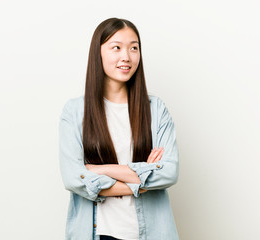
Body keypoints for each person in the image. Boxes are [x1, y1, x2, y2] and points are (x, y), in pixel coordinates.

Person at [59, 17, 179, 240]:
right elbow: (73, 178)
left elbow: (169, 172)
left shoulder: (156, 109)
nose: (126, 56)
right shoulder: (75, 111)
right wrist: (140, 180)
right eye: (117, 47)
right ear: (99, 53)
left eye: (134, 48)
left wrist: (99, 170)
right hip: (99, 234)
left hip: (151, 233)